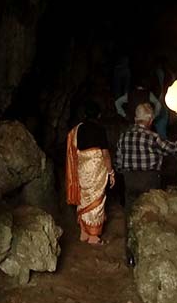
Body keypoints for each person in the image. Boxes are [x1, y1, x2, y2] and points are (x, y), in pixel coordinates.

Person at [115, 103, 177, 265]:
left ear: (135, 118)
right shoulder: (152, 137)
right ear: (150, 120)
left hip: (130, 180)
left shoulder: (124, 136)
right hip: (149, 180)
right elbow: (174, 148)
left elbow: (118, 162)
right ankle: (146, 257)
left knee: (130, 216)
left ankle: (130, 256)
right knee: (149, 216)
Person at [66, 102, 116, 245]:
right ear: (99, 115)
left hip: (82, 167)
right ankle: (93, 236)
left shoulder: (77, 130)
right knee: (97, 200)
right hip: (96, 168)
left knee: (84, 198)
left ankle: (83, 232)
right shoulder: (100, 129)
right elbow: (105, 154)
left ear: (84, 115)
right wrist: (110, 172)